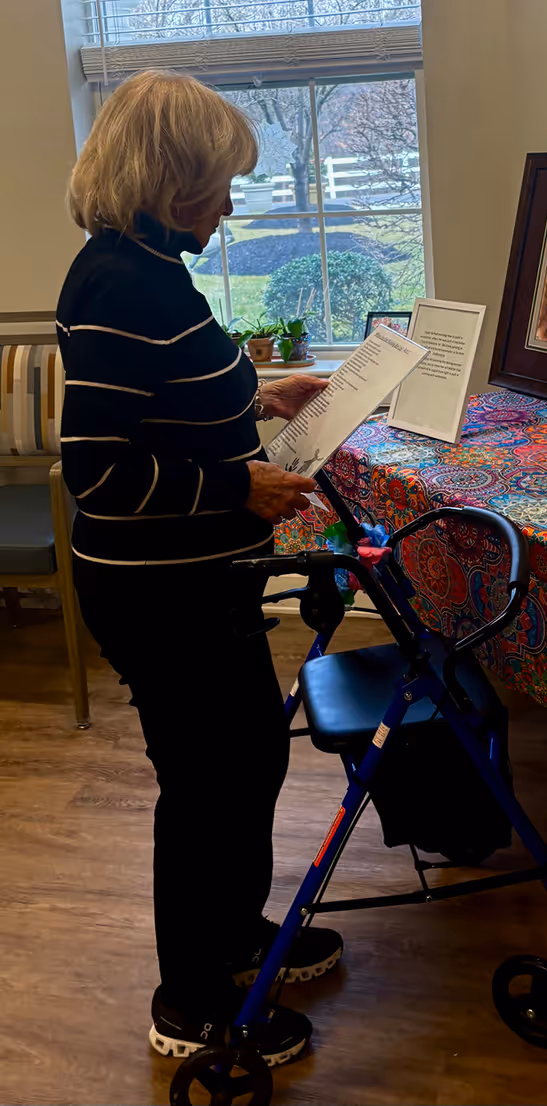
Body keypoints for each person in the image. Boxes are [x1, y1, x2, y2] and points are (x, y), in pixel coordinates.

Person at [58, 69, 343, 1066]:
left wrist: (258, 396)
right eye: (217, 184)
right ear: (166, 177)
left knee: (249, 757)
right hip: (156, 593)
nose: (228, 205)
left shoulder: (149, 272)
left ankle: (231, 936)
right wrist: (235, 485)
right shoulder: (115, 284)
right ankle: (190, 1002)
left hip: (196, 583)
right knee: (206, 783)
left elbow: (160, 396)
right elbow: (95, 471)